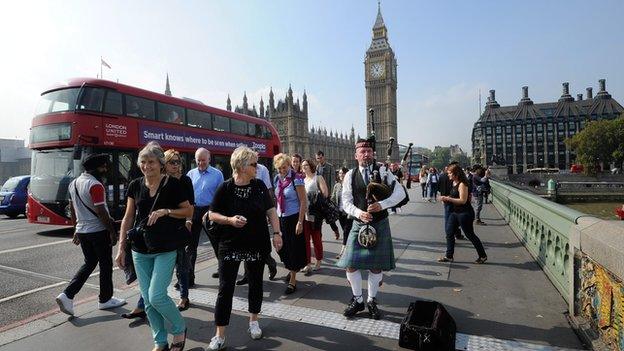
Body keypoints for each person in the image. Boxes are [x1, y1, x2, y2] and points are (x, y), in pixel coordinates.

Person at [116, 142, 193, 351]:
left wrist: (166, 211)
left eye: (151, 162)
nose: (147, 166)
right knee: (148, 301)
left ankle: (179, 328)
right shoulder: (135, 185)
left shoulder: (173, 185)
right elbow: (128, 217)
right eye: (143, 161)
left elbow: (188, 211)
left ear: (161, 164)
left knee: (156, 295)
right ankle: (160, 342)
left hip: (165, 247)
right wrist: (121, 247)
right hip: (140, 249)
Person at [206, 147, 283, 350]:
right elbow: (212, 214)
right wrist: (230, 220)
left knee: (256, 284)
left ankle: (253, 321)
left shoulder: (259, 186)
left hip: (256, 244)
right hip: (230, 245)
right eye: (253, 164)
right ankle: (220, 334)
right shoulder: (225, 188)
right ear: (241, 166)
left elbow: (271, 211)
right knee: (225, 289)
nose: (257, 167)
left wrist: (277, 233)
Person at [337, 137, 406, 320]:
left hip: (380, 222)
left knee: (376, 267)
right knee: (351, 265)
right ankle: (358, 299)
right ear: (356, 155)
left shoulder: (383, 171)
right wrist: (359, 213)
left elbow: (400, 193)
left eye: (369, 151)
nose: (366, 154)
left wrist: (383, 204)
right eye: (362, 151)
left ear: (372, 153)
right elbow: (345, 202)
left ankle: (371, 300)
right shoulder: (350, 175)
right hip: (359, 223)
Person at [56, 154, 126, 316]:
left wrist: (76, 229)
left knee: (89, 263)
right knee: (106, 265)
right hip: (98, 231)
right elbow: (101, 212)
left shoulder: (74, 184)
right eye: (103, 167)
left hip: (83, 231)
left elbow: (72, 209)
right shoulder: (95, 185)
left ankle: (67, 295)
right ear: (96, 168)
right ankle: (105, 299)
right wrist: (112, 232)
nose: (105, 170)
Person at [235, 161, 278, 285]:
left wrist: (268, 210)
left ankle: (271, 264)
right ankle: (247, 275)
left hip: (258, 212)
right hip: (245, 214)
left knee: (261, 250)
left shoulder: (262, 169)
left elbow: (268, 189)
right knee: (245, 247)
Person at [187, 148, 224, 283]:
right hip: (194, 211)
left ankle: (222, 270)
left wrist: (214, 211)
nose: (201, 163)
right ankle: (189, 276)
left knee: (216, 242)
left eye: (203, 160)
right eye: (198, 160)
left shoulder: (217, 174)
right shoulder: (190, 174)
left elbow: (221, 197)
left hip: (210, 211)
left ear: (209, 159)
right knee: (191, 246)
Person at [438, 164, 488, 264]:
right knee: (449, 233)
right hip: (455, 212)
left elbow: (463, 200)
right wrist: (446, 198)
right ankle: (449, 256)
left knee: (470, 235)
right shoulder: (453, 183)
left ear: (456, 174)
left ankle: (482, 256)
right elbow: (454, 196)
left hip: (465, 213)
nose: (448, 175)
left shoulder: (462, 184)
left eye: (450, 173)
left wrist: (448, 198)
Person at [273, 153, 307, 295]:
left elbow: (303, 201)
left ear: (289, 165)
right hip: (281, 218)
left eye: (284, 167)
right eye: (279, 168)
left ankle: (293, 279)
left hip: (293, 218)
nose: (282, 170)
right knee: (281, 248)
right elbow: (276, 199)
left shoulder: (296, 178)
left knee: (293, 249)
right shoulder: (277, 179)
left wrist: (300, 222)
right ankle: (293, 268)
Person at [301, 158, 329, 273]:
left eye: (306, 165)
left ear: (311, 166)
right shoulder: (302, 180)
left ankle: (318, 260)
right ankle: (307, 263)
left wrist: (314, 197)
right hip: (305, 214)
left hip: (315, 214)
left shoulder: (318, 177)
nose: (304, 167)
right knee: (305, 240)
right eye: (302, 166)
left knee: (316, 238)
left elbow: (325, 193)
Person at [315, 151, 341, 239]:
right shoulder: (316, 168)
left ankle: (335, 230)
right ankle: (319, 236)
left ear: (323, 157)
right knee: (318, 218)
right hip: (319, 196)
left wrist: (330, 195)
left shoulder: (330, 167)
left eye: (320, 158)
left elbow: (332, 182)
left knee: (329, 216)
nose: (319, 160)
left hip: (327, 195)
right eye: (318, 158)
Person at [438, 163, 466, 241]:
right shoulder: (455, 179)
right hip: (453, 200)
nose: (449, 174)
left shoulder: (441, 176)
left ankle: (450, 235)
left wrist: (443, 197)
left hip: (446, 199)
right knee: (454, 219)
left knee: (449, 219)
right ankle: (454, 235)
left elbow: (439, 187)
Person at [333, 167, 353, 260]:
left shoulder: (351, 185)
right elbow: (333, 198)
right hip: (340, 212)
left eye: (343, 173)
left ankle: (343, 252)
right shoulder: (337, 185)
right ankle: (352, 249)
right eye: (340, 173)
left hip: (349, 213)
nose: (341, 175)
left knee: (346, 232)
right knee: (347, 232)